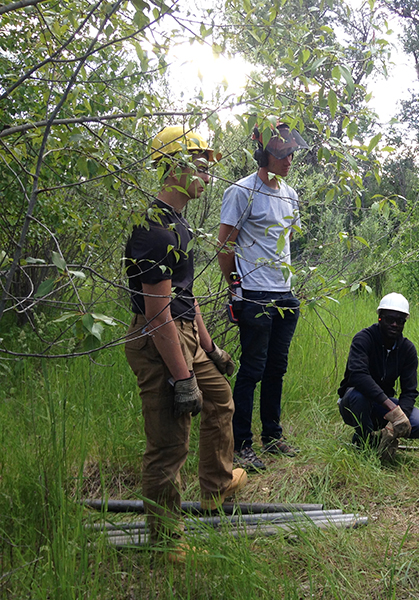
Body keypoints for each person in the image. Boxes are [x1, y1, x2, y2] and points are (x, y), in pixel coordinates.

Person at [124, 126, 247, 563]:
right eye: (199, 164)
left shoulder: (178, 224)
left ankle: (216, 487)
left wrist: (210, 349)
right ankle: (165, 539)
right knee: (169, 445)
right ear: (172, 166)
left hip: (186, 336)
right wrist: (180, 378)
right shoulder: (154, 231)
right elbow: (157, 315)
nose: (207, 174)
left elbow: (184, 295)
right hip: (161, 343)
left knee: (221, 399)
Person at [218, 121, 309, 471]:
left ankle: (272, 435)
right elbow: (225, 244)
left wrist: (289, 282)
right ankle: (242, 443)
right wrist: (235, 287)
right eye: (281, 153)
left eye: (291, 153)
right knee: (252, 369)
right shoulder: (242, 192)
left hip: (285, 294)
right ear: (263, 153)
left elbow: (285, 240)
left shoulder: (289, 193)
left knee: (277, 369)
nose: (288, 160)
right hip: (254, 295)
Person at [337, 293, 419, 458]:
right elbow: (358, 376)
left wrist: (397, 422)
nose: (394, 324)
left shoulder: (407, 350)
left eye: (400, 321)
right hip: (352, 402)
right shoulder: (363, 339)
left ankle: (382, 436)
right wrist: (392, 409)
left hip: (382, 407)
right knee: (360, 396)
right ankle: (364, 442)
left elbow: (409, 391)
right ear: (380, 318)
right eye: (389, 319)